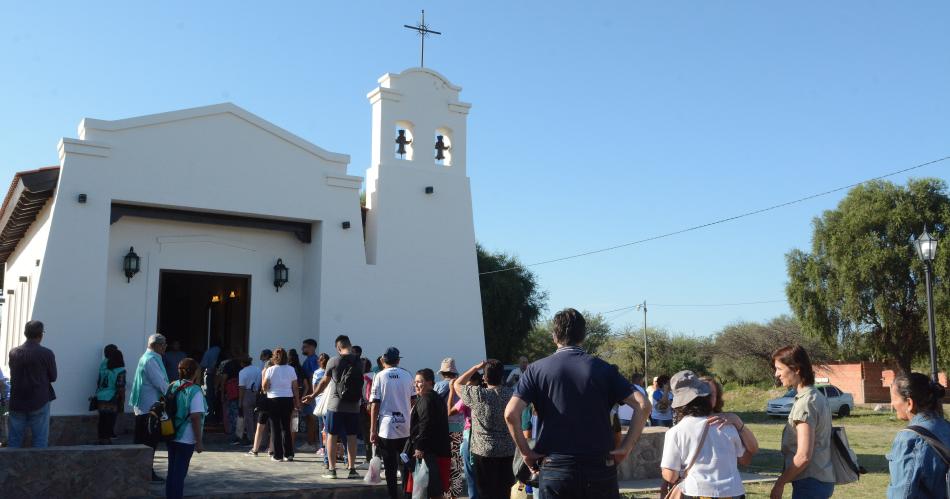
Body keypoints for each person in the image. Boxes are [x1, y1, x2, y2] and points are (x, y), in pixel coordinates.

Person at [504, 308, 651, 499]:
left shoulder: (535, 370)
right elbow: (643, 405)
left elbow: (510, 414)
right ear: (583, 336)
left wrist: (526, 453)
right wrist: (625, 448)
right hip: (599, 467)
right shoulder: (604, 369)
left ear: (554, 336)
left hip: (555, 467)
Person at [660, 370, 753, 499]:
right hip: (733, 491)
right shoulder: (728, 426)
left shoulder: (675, 432)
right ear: (706, 396)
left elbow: (670, 476)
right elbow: (744, 459)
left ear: (680, 403)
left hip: (698, 491)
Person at [770, 345, 834, 499]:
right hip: (819, 480)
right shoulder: (816, 396)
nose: (776, 374)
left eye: (779, 368)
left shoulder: (806, 402)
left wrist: (780, 483)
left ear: (796, 368)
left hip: (810, 482)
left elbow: (803, 456)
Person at [455, 360, 516, 499]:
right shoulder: (512, 394)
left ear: (485, 378)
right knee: (504, 492)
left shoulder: (478, 394)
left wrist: (476, 367)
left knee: (485, 493)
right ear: (502, 377)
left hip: (483, 451)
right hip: (507, 449)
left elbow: (457, 384)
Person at [887, 371, 950, 498]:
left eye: (894, 399)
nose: (892, 404)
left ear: (909, 403)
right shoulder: (946, 427)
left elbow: (903, 493)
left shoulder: (909, 438)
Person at [310, 335, 363, 479]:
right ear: (350, 346)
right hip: (354, 406)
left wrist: (312, 395)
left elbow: (324, 382)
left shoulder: (333, 361)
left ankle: (332, 470)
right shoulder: (360, 362)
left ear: (338, 348)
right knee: (352, 437)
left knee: (331, 436)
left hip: (335, 405)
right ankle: (352, 469)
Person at [368, 347, 416, 499]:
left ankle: (392, 496)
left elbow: (375, 404)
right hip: (406, 427)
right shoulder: (407, 375)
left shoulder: (380, 376)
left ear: (383, 360)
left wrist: (372, 430)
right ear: (398, 360)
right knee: (406, 465)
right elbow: (414, 401)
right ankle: (407, 495)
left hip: (386, 428)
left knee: (390, 467)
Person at [7, 320, 57, 449]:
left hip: (17, 399)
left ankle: (11, 467)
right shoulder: (47, 353)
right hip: (39, 399)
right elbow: (53, 377)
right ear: (41, 335)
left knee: (14, 440)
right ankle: (38, 468)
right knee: (40, 439)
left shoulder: (14, 353)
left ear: (25, 333)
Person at [165, 358, 206, 499]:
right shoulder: (195, 390)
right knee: (179, 474)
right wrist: (199, 441)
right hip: (186, 437)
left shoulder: (172, 386)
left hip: (171, 432)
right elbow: (195, 417)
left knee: (172, 472)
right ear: (195, 373)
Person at [407, 368, 451, 499]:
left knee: (429, 490)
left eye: (419, 381)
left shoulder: (426, 399)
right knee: (436, 491)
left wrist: (420, 446)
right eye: (415, 382)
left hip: (429, 452)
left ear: (430, 382)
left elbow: (426, 424)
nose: (416, 385)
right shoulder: (436, 398)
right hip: (439, 449)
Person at [130, 333, 169, 482]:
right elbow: (159, 382)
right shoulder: (151, 360)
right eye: (163, 344)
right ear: (156, 345)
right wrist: (172, 394)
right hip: (149, 408)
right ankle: (145, 471)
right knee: (148, 442)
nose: (165, 347)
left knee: (145, 441)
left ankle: (141, 470)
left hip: (146, 406)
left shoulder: (149, 358)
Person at [700, 375, 759, 457]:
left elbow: (750, 452)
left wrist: (737, 421)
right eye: (703, 393)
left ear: (717, 397)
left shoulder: (726, 424)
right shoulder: (684, 425)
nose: (707, 397)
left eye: (712, 394)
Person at [435, 357, 466, 498]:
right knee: (457, 466)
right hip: (459, 430)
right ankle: (455, 495)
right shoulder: (461, 387)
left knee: (444, 464)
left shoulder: (438, 386)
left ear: (442, 373)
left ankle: (445, 494)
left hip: (442, 430)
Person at [262, 348, 301, 462]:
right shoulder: (291, 369)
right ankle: (289, 454)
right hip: (287, 399)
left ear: (274, 357)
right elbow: (295, 387)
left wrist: (267, 389)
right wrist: (297, 401)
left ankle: (277, 455)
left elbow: (264, 386)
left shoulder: (270, 370)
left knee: (275, 428)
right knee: (286, 427)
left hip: (273, 399)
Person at [450, 371, 482, 499]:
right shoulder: (490, 394)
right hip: (488, 437)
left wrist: (452, 391)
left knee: (471, 475)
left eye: (467, 382)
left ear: (474, 381)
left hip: (470, 435)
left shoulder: (468, 397)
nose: (465, 385)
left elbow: (449, 411)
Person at [95, 344, 126, 444]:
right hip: (112, 397)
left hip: (100, 396)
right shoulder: (120, 370)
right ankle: (107, 442)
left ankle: (101, 440)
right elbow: (120, 386)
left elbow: (98, 381)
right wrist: (123, 400)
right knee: (110, 421)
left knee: (102, 420)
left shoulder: (103, 366)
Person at [246, 349, 273, 457]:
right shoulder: (280, 371)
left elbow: (262, 386)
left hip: (265, 399)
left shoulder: (265, 370)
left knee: (260, 425)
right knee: (273, 426)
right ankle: (271, 449)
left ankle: (255, 448)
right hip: (276, 399)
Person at [217, 351, 243, 444]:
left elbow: (223, 380)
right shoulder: (241, 365)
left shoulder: (227, 365)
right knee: (238, 414)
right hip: (240, 392)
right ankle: (239, 435)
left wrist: (221, 393)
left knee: (231, 415)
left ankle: (233, 436)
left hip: (230, 393)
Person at [301, 338, 319, 451]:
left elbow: (313, 376)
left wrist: (312, 393)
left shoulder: (312, 360)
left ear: (312, 347)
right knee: (308, 417)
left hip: (310, 393)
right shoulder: (308, 359)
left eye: (305, 346)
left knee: (311, 417)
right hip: (308, 392)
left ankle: (311, 443)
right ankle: (311, 441)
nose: (302, 348)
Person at [237, 356, 259, 445]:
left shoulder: (242, 372)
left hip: (247, 393)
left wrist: (240, 401)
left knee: (248, 418)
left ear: (242, 363)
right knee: (257, 417)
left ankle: (251, 438)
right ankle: (259, 438)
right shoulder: (257, 369)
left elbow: (241, 387)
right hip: (257, 393)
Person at [199, 342, 221, 422]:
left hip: (211, 375)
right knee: (219, 395)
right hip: (222, 375)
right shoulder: (222, 351)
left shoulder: (209, 351)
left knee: (209, 395)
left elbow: (203, 365)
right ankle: (218, 415)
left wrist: (201, 378)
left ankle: (210, 415)